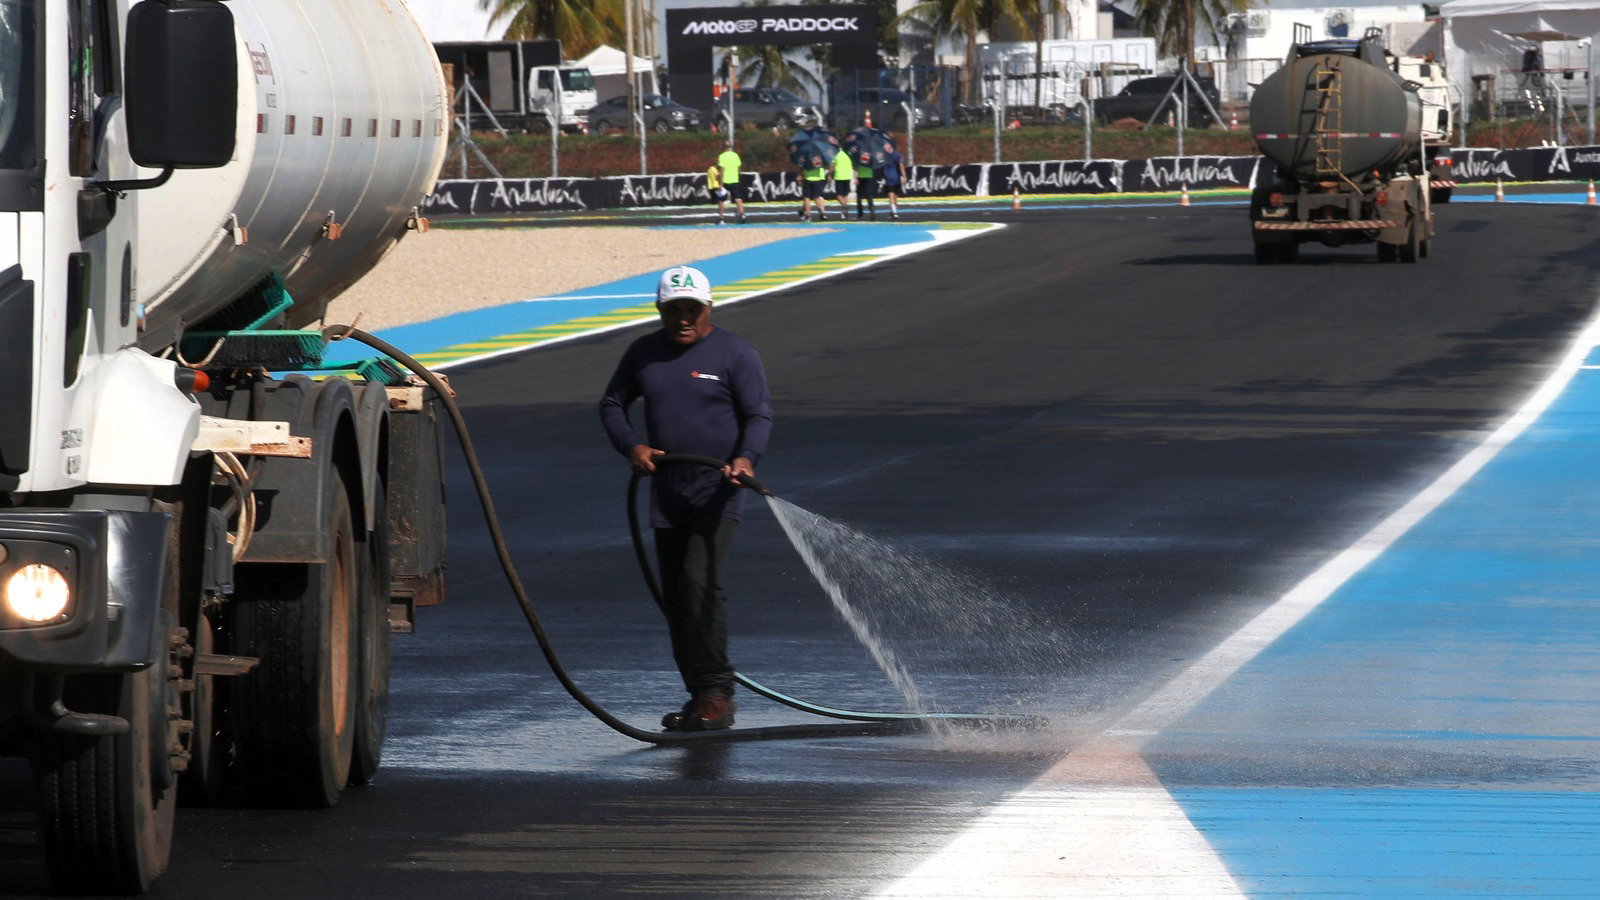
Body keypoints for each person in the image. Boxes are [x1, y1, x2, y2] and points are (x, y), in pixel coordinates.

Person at [598, 265, 773, 732]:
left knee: (700, 584)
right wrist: (632, 446)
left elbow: (759, 414)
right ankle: (698, 692)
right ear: (660, 310)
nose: (682, 318)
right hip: (667, 491)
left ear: (708, 308)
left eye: (691, 309)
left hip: (718, 490)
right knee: (677, 596)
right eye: (673, 309)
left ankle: (718, 693)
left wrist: (747, 458)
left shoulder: (735, 353)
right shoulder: (644, 354)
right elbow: (613, 404)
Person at [716, 144, 746, 224]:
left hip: (725, 180)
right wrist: (737, 175)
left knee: (721, 200)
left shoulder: (722, 156)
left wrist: (720, 183)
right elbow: (739, 168)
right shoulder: (735, 155)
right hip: (735, 180)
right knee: (737, 198)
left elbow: (722, 170)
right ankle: (742, 214)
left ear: (723, 148)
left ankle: (721, 219)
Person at [799, 154, 829, 221]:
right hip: (818, 178)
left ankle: (808, 215)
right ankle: (821, 211)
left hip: (808, 177)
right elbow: (826, 164)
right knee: (817, 197)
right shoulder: (820, 154)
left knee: (807, 197)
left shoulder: (805, 154)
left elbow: (801, 165)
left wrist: (800, 174)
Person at [853, 148, 880, 220]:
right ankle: (861, 213)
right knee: (860, 196)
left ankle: (871, 212)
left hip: (867, 176)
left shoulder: (870, 153)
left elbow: (875, 163)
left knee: (867, 195)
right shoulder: (860, 153)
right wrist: (856, 177)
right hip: (862, 176)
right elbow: (856, 166)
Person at [881, 145, 905, 221]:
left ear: (890, 148)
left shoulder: (896, 155)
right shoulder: (895, 155)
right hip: (892, 178)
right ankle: (894, 211)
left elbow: (901, 165)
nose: (884, 150)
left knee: (893, 195)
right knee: (893, 194)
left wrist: (904, 176)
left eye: (885, 148)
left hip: (893, 177)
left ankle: (894, 212)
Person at [831, 145, 855, 218]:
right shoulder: (848, 153)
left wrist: (830, 173)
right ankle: (844, 211)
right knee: (845, 194)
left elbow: (832, 165)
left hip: (839, 176)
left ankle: (844, 206)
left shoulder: (835, 154)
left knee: (838, 195)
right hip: (848, 175)